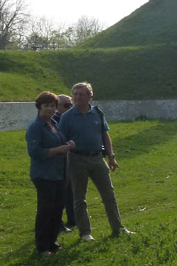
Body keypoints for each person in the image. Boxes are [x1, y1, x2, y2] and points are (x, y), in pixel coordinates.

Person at [59, 82, 133, 241]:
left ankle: (118, 227)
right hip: (77, 158)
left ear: (90, 96)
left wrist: (111, 156)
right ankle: (85, 233)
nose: (77, 97)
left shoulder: (97, 113)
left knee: (109, 195)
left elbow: (105, 135)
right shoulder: (66, 117)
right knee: (79, 197)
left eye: (81, 94)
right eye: (75, 94)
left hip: (98, 158)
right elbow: (60, 139)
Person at [26, 91, 75, 256]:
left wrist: (68, 144)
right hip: (44, 174)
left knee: (57, 208)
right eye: (46, 106)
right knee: (46, 210)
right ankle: (42, 247)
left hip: (60, 173)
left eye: (52, 106)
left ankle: (52, 242)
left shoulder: (54, 124)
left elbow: (60, 141)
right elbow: (35, 152)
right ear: (39, 107)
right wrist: (58, 150)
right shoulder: (35, 127)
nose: (49, 109)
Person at [54, 94, 76, 231]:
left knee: (71, 190)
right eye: (66, 105)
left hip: (72, 157)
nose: (69, 108)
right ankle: (58, 222)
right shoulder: (55, 121)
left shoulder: (69, 119)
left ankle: (73, 218)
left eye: (70, 105)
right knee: (61, 191)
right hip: (61, 159)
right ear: (58, 107)